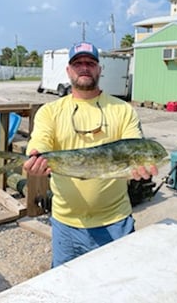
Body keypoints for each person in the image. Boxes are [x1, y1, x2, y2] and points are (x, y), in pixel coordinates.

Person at [23, 41, 158, 267]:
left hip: (115, 222)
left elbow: (134, 146)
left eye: (90, 63)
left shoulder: (123, 110)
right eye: (78, 63)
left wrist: (140, 168)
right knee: (66, 289)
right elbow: (39, 143)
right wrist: (35, 157)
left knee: (117, 286)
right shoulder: (50, 111)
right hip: (65, 225)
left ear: (99, 69)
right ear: (68, 70)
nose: (84, 67)